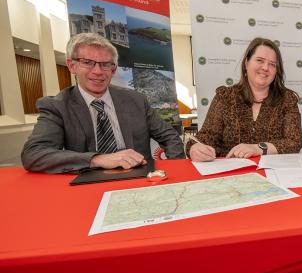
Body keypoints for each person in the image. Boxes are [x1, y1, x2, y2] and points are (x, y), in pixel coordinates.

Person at [21, 33, 185, 174]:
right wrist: (98, 159)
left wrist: (175, 170)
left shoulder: (136, 100)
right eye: (87, 62)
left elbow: (170, 137)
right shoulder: (57, 106)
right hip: (88, 182)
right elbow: (34, 154)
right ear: (72, 66)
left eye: (105, 64)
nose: (98, 71)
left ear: (113, 70)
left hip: (141, 179)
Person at [187, 37, 302, 161]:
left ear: (276, 71)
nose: (265, 68)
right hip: (232, 174)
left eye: (272, 64)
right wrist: (195, 149)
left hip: (274, 174)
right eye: (260, 60)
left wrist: (258, 148)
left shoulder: (287, 99)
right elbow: (205, 138)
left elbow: (294, 142)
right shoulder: (225, 97)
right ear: (246, 63)